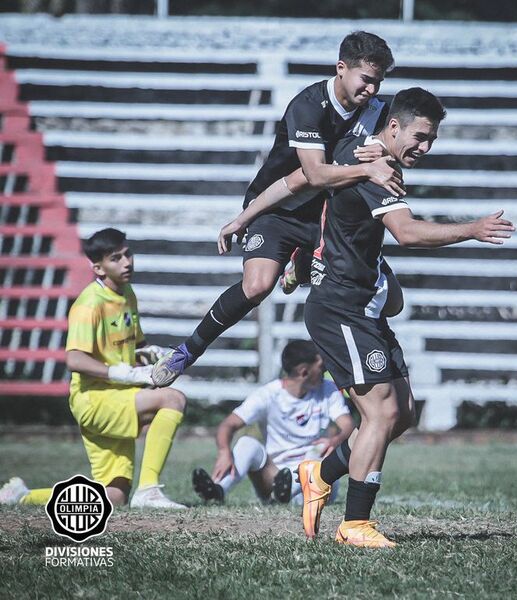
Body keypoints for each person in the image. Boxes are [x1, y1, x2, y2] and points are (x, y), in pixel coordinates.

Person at [298, 87, 515, 547]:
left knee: (403, 414)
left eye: (432, 138)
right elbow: (409, 233)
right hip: (340, 308)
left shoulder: (371, 153)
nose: (426, 147)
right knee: (381, 412)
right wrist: (472, 229)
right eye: (420, 136)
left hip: (362, 307)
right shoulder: (377, 171)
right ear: (393, 126)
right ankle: (354, 523)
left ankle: (321, 472)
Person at [152, 31, 405, 388]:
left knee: (394, 302)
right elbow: (313, 175)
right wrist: (243, 219)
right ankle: (186, 351)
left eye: (379, 82)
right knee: (256, 286)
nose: (373, 90)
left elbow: (404, 138)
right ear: (341, 68)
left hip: (327, 218)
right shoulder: (307, 106)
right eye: (366, 80)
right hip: (278, 209)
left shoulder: (379, 111)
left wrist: (388, 152)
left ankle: (303, 264)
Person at [0, 228, 187, 509]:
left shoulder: (127, 293)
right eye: (116, 258)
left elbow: (133, 346)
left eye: (128, 254)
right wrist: (123, 373)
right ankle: (149, 489)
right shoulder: (89, 304)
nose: (127, 263)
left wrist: (148, 354)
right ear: (98, 268)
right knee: (173, 399)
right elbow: (74, 359)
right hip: (94, 400)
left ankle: (23, 496)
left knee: (113, 497)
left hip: (116, 395)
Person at [191, 340, 354, 505]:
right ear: (304, 372)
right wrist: (224, 452)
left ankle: (285, 493)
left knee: (321, 456)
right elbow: (228, 425)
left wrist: (335, 441)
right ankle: (217, 490)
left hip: (314, 486)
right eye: (321, 367)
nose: (325, 371)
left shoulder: (328, 389)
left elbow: (348, 425)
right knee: (247, 443)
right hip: (274, 477)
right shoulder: (268, 394)